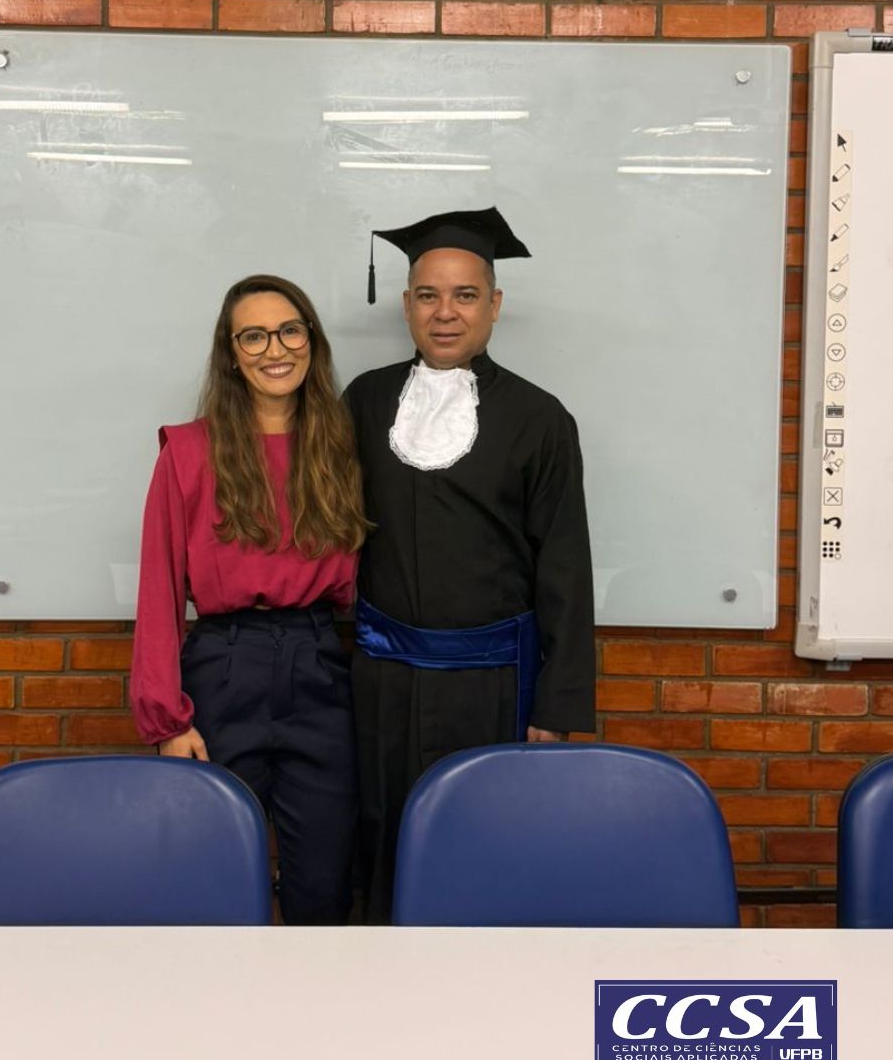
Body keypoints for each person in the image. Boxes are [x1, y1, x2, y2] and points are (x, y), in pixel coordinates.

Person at [345, 207, 597, 922]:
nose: (445, 313)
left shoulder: (541, 418)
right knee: (380, 837)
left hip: (495, 686)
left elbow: (565, 567)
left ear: (494, 304)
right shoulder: (362, 401)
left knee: (489, 844)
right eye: (428, 295)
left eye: (464, 295)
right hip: (382, 682)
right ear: (406, 305)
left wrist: (557, 706)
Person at [130, 274, 368, 925]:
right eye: (254, 336)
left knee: (325, 883)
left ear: (312, 340)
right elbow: (157, 592)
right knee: (210, 878)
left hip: (320, 664)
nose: (275, 349)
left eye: (290, 330)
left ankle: (310, 991)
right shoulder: (188, 452)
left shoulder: (342, 447)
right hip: (223, 668)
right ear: (231, 354)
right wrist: (168, 720)